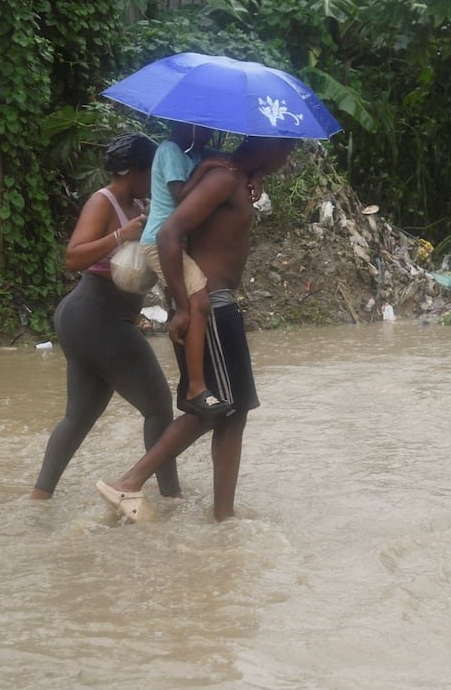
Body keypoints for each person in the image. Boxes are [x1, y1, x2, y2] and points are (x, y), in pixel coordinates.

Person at [96, 135, 296, 522]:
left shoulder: (229, 174)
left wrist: (254, 175)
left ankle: (223, 515)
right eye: (286, 151)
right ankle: (130, 482)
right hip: (211, 308)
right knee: (213, 412)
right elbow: (169, 233)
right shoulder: (223, 178)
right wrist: (185, 307)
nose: (287, 160)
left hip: (218, 308)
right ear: (269, 145)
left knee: (230, 413)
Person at [31, 133, 179, 505]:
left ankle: (38, 498)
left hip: (91, 320)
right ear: (133, 171)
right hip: (97, 314)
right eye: (152, 170)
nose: (155, 177)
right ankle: (171, 498)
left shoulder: (144, 203)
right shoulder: (104, 202)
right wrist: (119, 235)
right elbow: (73, 258)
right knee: (159, 407)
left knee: (78, 417)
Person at [139, 122, 231, 417]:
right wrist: (206, 170)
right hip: (159, 242)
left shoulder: (195, 154)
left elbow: (232, 163)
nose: (208, 134)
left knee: (196, 304)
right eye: (203, 128)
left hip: (173, 244)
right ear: (187, 127)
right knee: (197, 303)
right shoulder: (169, 150)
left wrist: (252, 175)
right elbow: (181, 196)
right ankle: (196, 388)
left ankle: (190, 385)